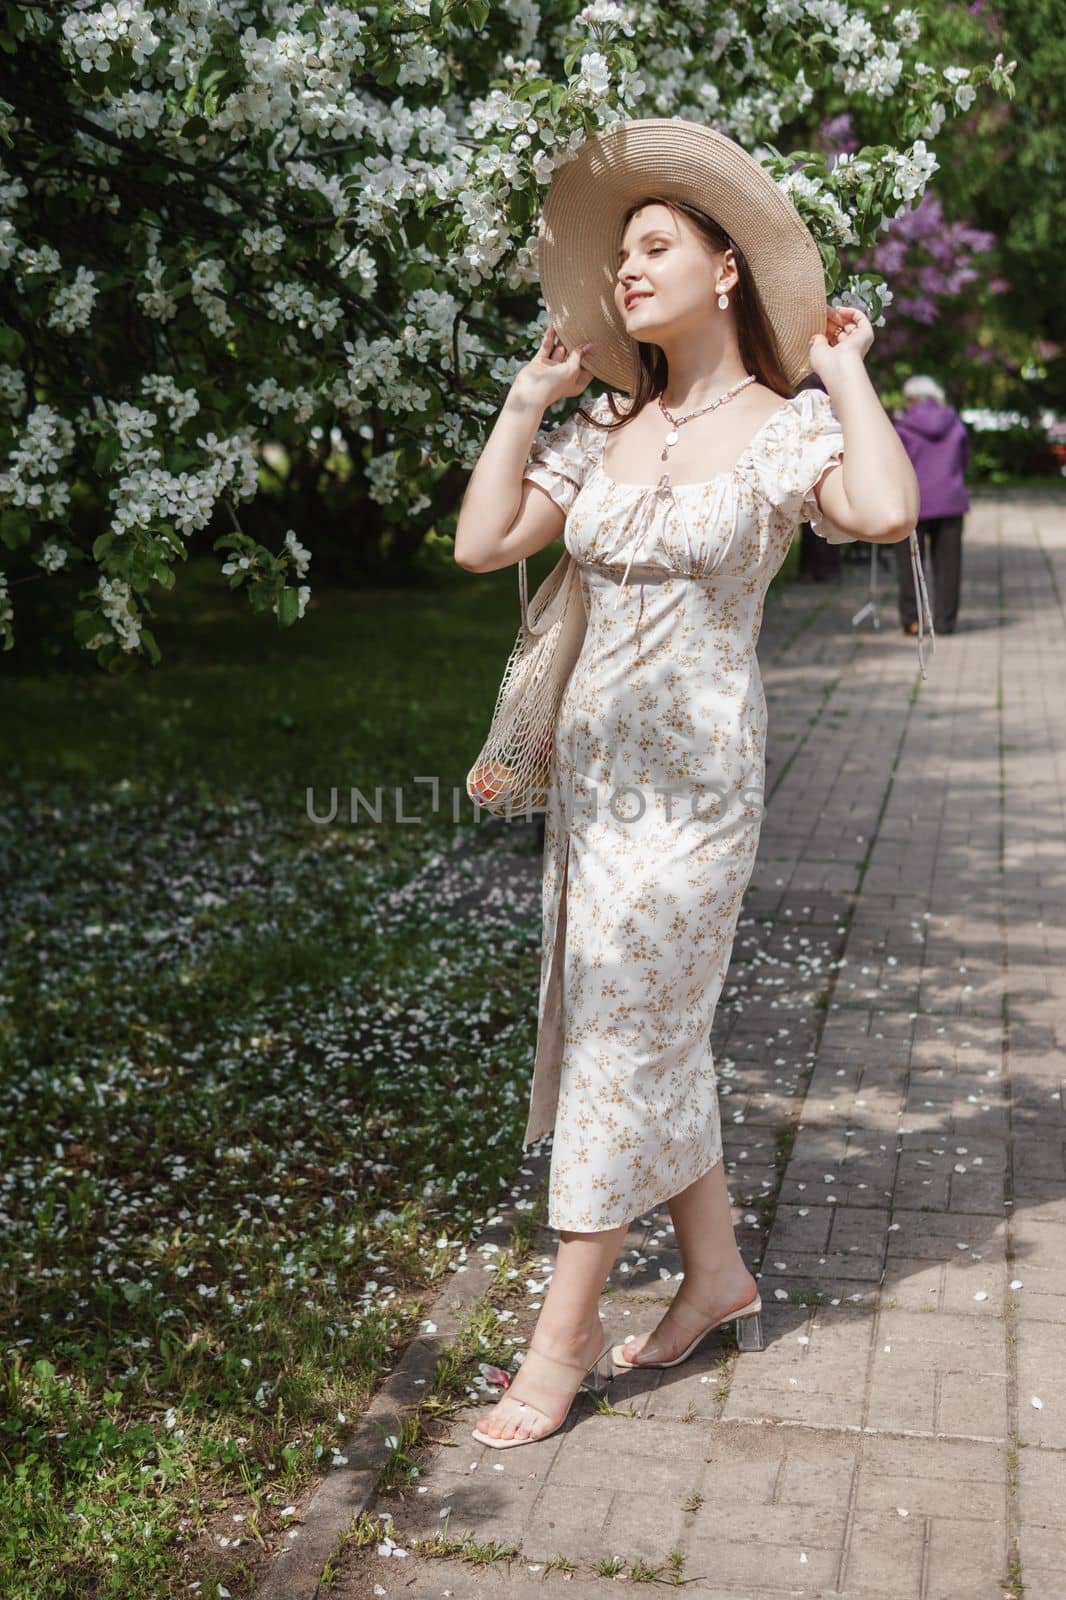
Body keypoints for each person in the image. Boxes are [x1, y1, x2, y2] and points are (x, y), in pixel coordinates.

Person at [453, 117, 921, 1450]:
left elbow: (883, 512)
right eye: (618, 258)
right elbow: (484, 541)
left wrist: (843, 374)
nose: (625, 273)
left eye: (653, 246)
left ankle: (561, 1341)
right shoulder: (608, 429)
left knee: (620, 1031)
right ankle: (711, 1275)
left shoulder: (783, 431)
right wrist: (525, 402)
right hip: (598, 790)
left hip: (698, 788)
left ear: (725, 270)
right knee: (643, 1027)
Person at [892, 374, 970, 635]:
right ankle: (946, 622)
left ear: (912, 398)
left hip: (912, 502)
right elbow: (964, 458)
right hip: (950, 499)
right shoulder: (955, 422)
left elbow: (893, 464)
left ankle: (912, 620)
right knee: (949, 565)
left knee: (910, 563)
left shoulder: (902, 426)